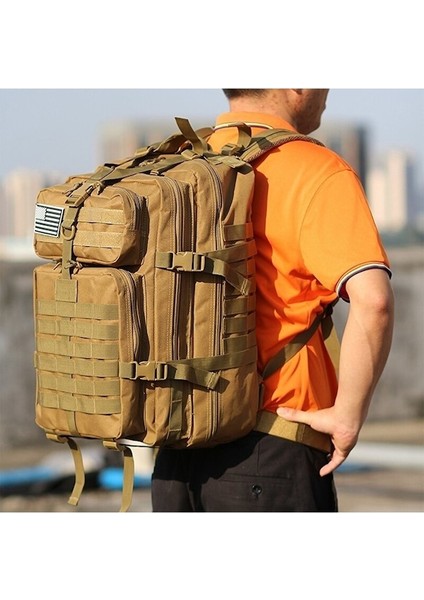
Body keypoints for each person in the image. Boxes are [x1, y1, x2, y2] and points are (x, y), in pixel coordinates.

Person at [151, 89, 394, 512]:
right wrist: (347, 416)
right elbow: (374, 302)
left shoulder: (181, 163)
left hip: (176, 447)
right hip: (274, 445)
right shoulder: (316, 169)